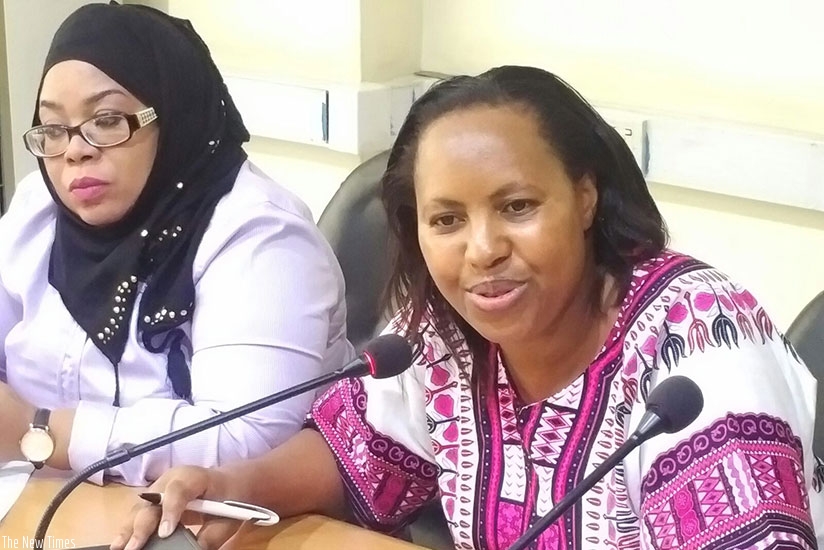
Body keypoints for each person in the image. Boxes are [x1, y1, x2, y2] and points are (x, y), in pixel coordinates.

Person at [115, 65, 823, 549]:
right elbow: (357, 458)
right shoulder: (438, 335)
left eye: (516, 207)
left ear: (585, 195)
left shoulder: (699, 348)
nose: (481, 250)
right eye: (446, 220)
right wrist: (231, 484)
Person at [0, 3, 353, 486]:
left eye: (105, 120)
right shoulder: (38, 209)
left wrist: (39, 431)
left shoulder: (261, 238)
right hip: (47, 504)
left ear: (175, 114)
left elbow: (244, 437)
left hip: (216, 524)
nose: (76, 150)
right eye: (54, 128)